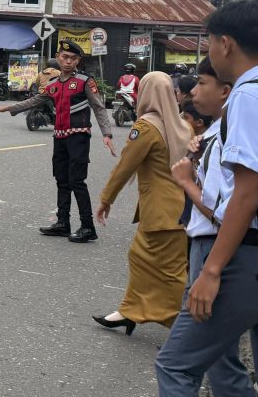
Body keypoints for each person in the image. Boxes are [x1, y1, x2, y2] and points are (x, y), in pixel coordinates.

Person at [155, 0, 258, 396]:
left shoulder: (247, 96)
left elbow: (248, 192)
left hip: (247, 259)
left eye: (209, 42)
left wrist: (211, 271)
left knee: (175, 366)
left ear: (225, 44)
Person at [166, 56, 256, 395]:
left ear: (225, 91)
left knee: (179, 364)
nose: (193, 90)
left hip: (212, 246)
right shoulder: (216, 133)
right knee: (223, 360)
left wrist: (186, 182)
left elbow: (222, 212)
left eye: (202, 83)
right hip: (231, 250)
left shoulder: (225, 136)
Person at [91, 71, 191, 336]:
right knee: (143, 259)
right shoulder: (181, 124)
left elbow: (125, 166)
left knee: (169, 272)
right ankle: (130, 312)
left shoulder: (146, 127)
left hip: (162, 213)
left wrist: (106, 200)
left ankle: (185, 328)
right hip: (181, 209)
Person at [0, 40, 116, 243]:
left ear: (78, 60)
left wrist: (107, 134)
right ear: (58, 58)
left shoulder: (85, 81)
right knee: (61, 180)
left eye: (73, 58)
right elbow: (35, 101)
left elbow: (99, 107)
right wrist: (7, 108)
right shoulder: (53, 84)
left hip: (78, 137)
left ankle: (87, 227)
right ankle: (62, 223)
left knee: (77, 181)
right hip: (59, 138)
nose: (68, 61)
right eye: (64, 57)